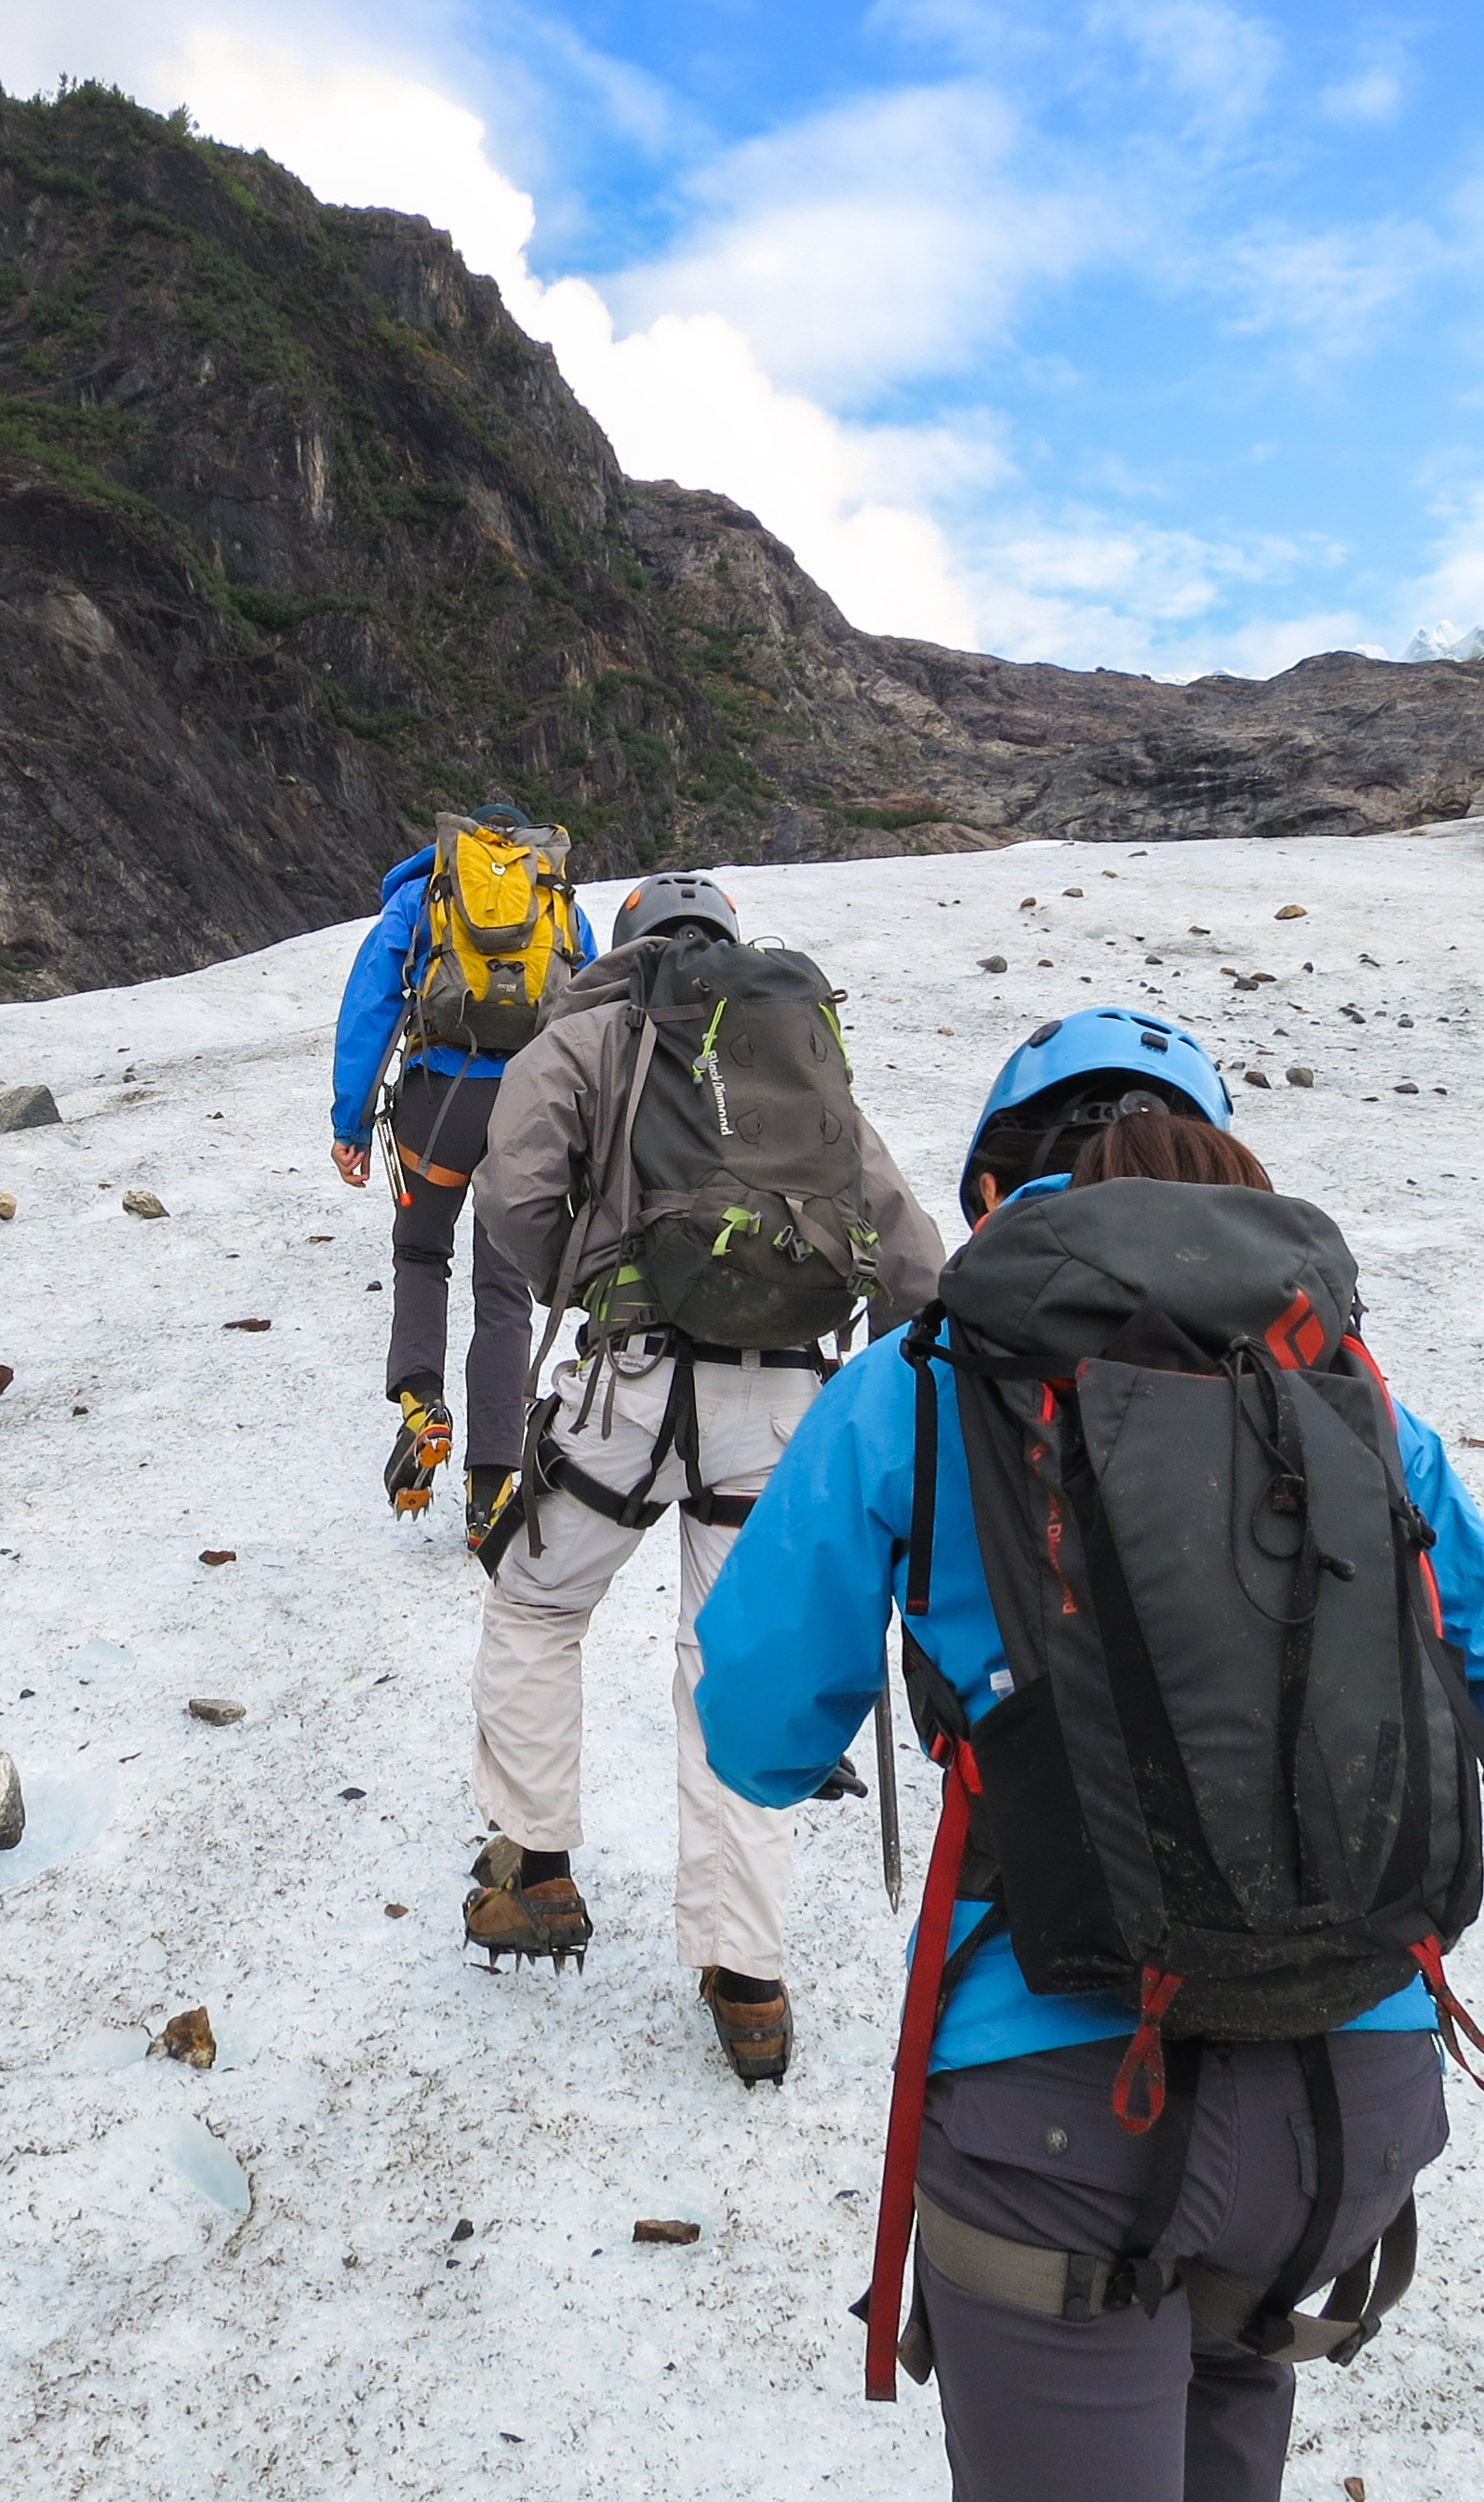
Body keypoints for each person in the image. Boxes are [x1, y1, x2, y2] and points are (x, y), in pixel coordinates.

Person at [693, 1011, 1484, 2500]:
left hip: (1060, 2105)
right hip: (1355, 2099)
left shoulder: (926, 1375)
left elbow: (757, 1734)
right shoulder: (1343, 1385)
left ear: (997, 1191)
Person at [458, 871, 947, 2082]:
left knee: (537, 1604)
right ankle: (747, 1980)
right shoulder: (799, 1058)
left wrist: (600, 1279)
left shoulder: (590, 1032)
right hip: (777, 1404)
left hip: (625, 1389)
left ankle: (531, 1870)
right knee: (725, 1667)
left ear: (629, 940)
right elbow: (912, 1253)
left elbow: (509, 1191)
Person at [330, 808, 597, 1539]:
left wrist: (349, 1123)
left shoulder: (421, 900)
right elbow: (594, 1017)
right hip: (528, 1108)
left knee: (421, 1252)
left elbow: (370, 1010)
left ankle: (422, 1406)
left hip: (435, 1105)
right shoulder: (560, 904)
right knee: (504, 1289)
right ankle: (492, 1481)